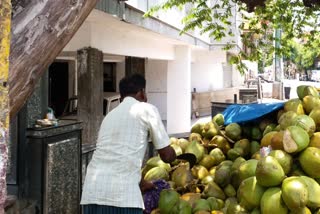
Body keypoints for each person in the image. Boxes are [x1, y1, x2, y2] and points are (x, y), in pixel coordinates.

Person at [81, 73, 176, 214]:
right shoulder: (147, 109)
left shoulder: (110, 116)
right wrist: (177, 156)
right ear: (142, 92)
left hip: (92, 193)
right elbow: (167, 156)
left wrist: (143, 183)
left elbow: (116, 155)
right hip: (122, 197)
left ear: (121, 96)